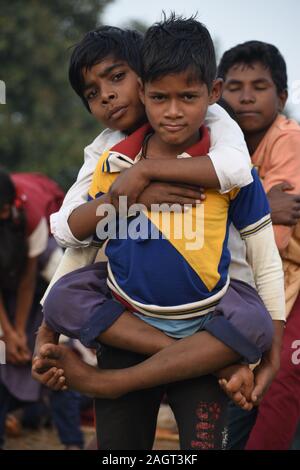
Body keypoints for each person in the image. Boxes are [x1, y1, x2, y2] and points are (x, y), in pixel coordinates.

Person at [34, 16, 285, 450]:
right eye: (92, 92)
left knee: (259, 324)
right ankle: (210, 362)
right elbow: (75, 240)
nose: (108, 95)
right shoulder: (110, 161)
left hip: (208, 311)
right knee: (60, 299)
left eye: (116, 78)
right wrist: (46, 332)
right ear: (148, 90)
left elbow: (263, 252)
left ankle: (122, 382)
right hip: (137, 320)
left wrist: (273, 349)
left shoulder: (222, 149)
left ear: (210, 94)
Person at [218, 40, 300, 450]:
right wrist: (265, 205)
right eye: (235, 86)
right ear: (217, 92)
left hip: (290, 284)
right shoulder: (217, 143)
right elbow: (270, 219)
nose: (246, 96)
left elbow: (280, 236)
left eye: (259, 86)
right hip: (250, 286)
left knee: (282, 380)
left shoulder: (288, 139)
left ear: (281, 96)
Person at [0, 170, 84, 450]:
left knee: (55, 361)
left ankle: (72, 443)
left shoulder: (36, 222)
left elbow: (28, 280)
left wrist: (24, 334)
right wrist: (7, 334)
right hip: (6, 304)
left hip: (40, 296)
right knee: (1, 360)